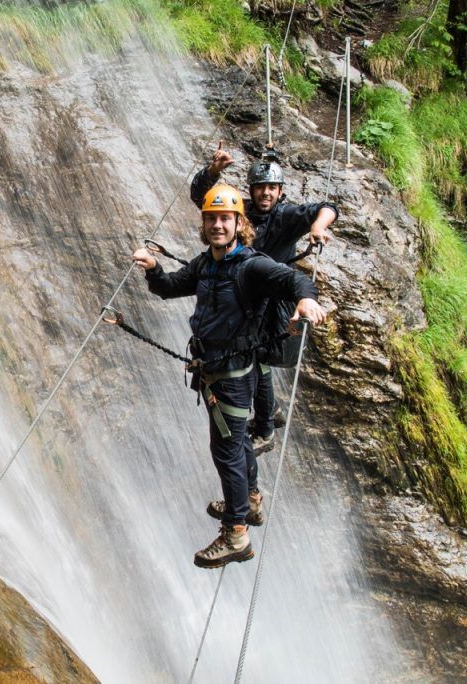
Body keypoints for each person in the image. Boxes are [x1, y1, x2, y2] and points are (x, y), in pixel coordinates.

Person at [132, 184, 325, 569]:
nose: (218, 225)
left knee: (227, 451)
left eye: (225, 218)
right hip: (217, 371)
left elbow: (293, 280)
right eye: (212, 218)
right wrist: (155, 270)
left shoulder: (251, 265)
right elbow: (171, 288)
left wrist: (307, 299)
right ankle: (249, 499)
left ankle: (236, 532)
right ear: (204, 224)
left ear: (239, 223)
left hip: (232, 376)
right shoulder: (208, 264)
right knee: (236, 446)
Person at [190, 146, 338, 456]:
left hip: (274, 300)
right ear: (252, 190)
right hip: (245, 296)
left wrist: (318, 226)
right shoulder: (241, 211)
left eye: (271, 188)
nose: (265, 193)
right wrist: (213, 171)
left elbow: (327, 206)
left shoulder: (286, 216)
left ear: (280, 191)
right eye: (260, 187)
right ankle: (271, 412)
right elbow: (202, 197)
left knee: (258, 357)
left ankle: (267, 428)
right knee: (251, 358)